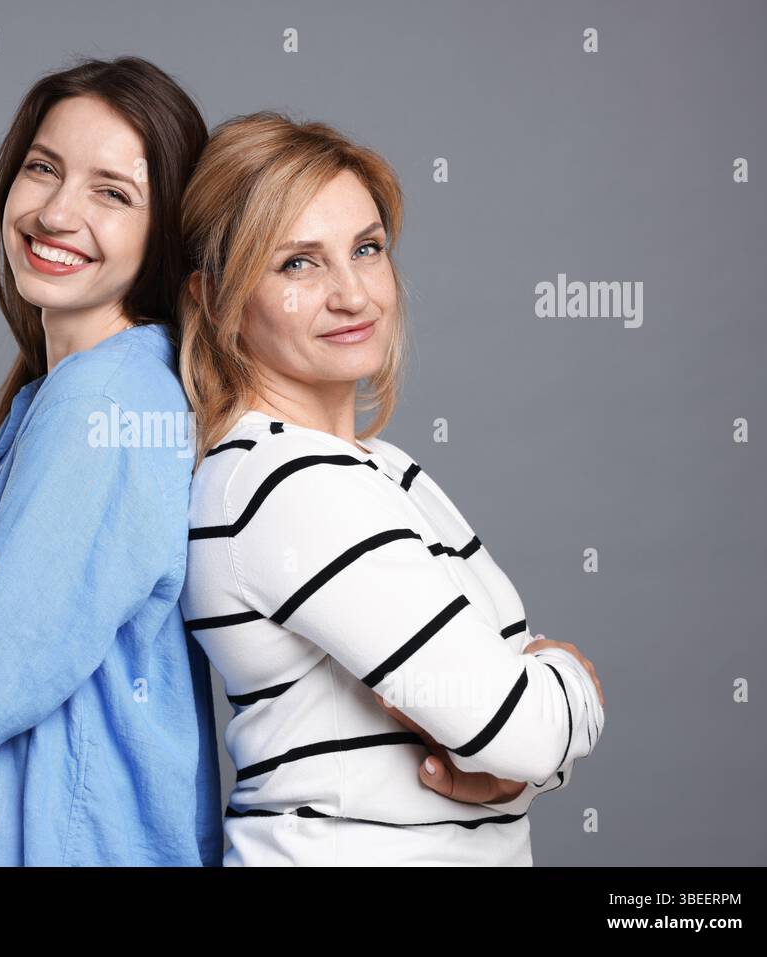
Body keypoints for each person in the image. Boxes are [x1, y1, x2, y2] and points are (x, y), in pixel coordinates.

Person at [177, 112, 606, 865]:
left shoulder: (377, 466)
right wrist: (573, 682)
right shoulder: (288, 483)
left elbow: (508, 745)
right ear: (217, 300)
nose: (353, 294)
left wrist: (517, 769)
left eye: (366, 249)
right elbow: (520, 726)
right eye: (297, 265)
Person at [0, 57, 222, 866]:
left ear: (164, 232)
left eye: (112, 192)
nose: (57, 211)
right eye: (43, 167)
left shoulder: (104, 405)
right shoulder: (79, 394)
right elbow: (23, 643)